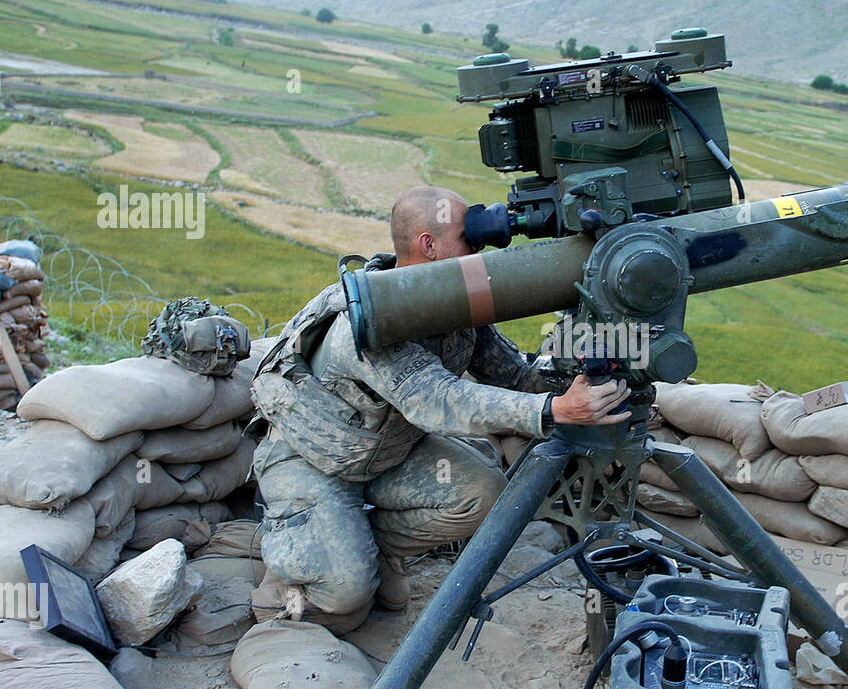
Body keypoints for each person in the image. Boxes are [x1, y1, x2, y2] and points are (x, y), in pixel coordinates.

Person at [249, 186, 629, 629]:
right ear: (429, 245)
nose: (479, 244)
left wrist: (580, 377)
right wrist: (554, 411)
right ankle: (298, 561)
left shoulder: (450, 305)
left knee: (485, 494)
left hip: (389, 455)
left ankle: (366, 544)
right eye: (467, 236)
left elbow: (512, 373)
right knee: (348, 597)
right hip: (314, 462)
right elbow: (435, 397)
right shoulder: (370, 318)